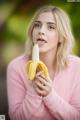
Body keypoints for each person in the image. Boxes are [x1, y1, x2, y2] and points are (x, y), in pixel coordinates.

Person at [7, 5, 80, 120]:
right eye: (37, 25)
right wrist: (33, 91)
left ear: (61, 36)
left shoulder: (77, 66)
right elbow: (16, 117)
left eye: (50, 27)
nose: (41, 31)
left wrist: (50, 95)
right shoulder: (16, 67)